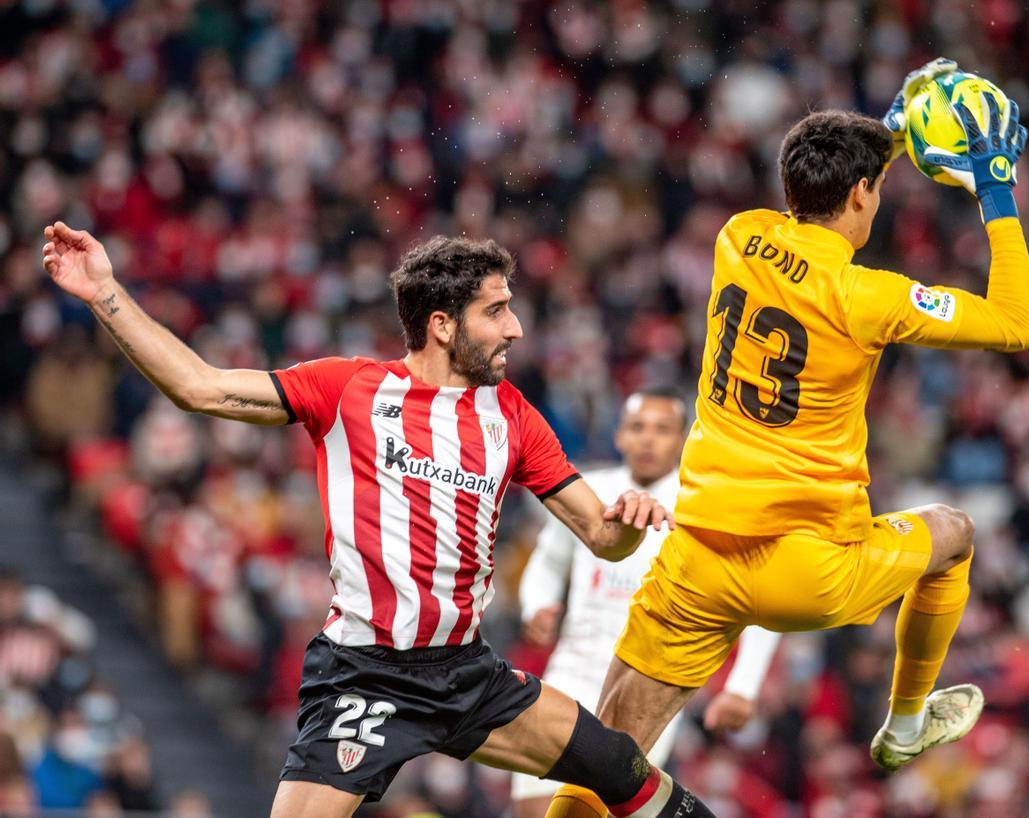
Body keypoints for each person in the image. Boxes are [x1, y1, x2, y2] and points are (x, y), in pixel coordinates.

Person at [40, 228, 719, 818]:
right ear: (443, 325)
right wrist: (104, 291)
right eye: (497, 311)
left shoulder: (510, 413)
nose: (515, 328)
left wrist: (626, 522)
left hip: (465, 674)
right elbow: (197, 385)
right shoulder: (349, 389)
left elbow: (601, 534)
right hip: (365, 676)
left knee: (621, 766)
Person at [547, 58, 1029, 816]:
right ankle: (906, 723)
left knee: (609, 763)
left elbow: (832, 188)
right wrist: (996, 186)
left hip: (700, 556)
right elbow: (1018, 323)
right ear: (862, 196)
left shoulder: (738, 236)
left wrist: (896, 135)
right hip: (807, 569)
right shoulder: (868, 296)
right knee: (954, 534)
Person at [512, 388, 780, 817]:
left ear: (682, 440)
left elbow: (759, 602)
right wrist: (537, 605)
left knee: (593, 808)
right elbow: (548, 561)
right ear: (620, 435)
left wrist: (742, 688)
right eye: (638, 427)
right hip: (570, 673)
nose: (648, 439)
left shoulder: (704, 509)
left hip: (647, 685)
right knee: (532, 806)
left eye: (662, 430)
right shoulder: (591, 492)